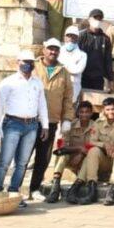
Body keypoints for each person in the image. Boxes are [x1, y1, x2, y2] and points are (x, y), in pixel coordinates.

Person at [0, 50, 48, 208]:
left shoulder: (37, 82)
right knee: (5, 160)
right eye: (25, 61)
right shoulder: (8, 82)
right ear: (18, 62)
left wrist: (44, 125)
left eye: (31, 62)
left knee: (22, 162)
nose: (28, 65)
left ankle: (14, 192)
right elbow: (0, 106)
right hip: (12, 123)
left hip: (31, 125)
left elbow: (42, 105)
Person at [29, 38, 74, 201]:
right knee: (24, 156)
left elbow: (68, 97)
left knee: (43, 157)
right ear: (44, 50)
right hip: (30, 119)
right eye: (50, 49)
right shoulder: (33, 66)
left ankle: (35, 188)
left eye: (56, 49)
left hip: (51, 120)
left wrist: (67, 119)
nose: (53, 52)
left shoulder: (64, 71)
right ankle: (16, 188)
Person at [73, 97, 114, 206]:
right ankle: (92, 189)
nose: (111, 112)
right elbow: (91, 141)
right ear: (103, 111)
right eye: (108, 109)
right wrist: (104, 144)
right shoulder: (98, 123)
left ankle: (112, 187)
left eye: (113, 109)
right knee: (93, 150)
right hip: (104, 161)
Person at [45, 101, 93, 204]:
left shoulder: (95, 126)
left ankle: (73, 191)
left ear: (91, 113)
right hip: (70, 157)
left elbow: (93, 146)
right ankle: (55, 189)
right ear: (78, 113)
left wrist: (81, 153)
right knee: (62, 154)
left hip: (85, 159)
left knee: (91, 157)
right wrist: (79, 149)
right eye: (82, 112)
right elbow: (62, 146)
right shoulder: (70, 125)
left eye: (87, 112)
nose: (84, 114)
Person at [79, 9, 113, 92]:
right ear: (89, 19)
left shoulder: (105, 39)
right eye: (95, 18)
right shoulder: (81, 36)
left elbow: (108, 60)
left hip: (98, 77)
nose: (97, 21)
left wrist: (110, 78)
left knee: (96, 102)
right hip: (82, 75)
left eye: (99, 19)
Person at [59, 26, 88, 102]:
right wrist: (70, 66)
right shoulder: (58, 51)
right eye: (68, 36)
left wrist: (63, 65)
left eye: (73, 37)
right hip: (59, 85)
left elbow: (77, 70)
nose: (71, 39)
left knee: (70, 109)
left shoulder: (82, 55)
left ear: (77, 39)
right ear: (64, 37)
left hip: (74, 87)